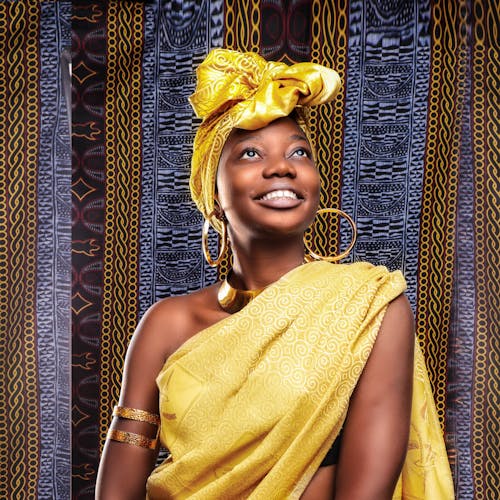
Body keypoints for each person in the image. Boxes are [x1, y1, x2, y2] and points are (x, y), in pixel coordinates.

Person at [95, 48, 454, 499]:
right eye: (249, 153)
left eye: (299, 152)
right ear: (213, 190)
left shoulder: (370, 305)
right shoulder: (165, 324)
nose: (282, 166)